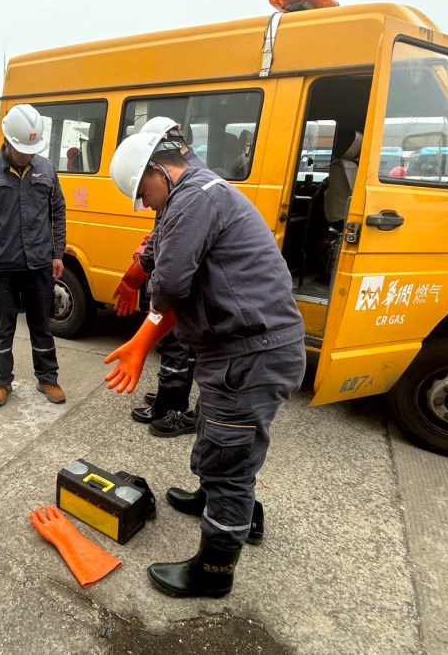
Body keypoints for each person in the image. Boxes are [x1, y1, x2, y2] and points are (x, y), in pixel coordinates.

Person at [104, 131, 306, 598]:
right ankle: (222, 503)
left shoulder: (193, 198)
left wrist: (141, 338)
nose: (144, 204)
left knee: (229, 458)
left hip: (250, 354)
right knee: (221, 436)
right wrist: (138, 291)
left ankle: (214, 571)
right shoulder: (198, 192)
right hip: (241, 350)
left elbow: (171, 284)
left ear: (159, 171)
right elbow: (166, 258)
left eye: (142, 193)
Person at [0, 104, 67, 408]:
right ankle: (2, 382)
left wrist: (57, 253)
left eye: (32, 150)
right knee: (3, 327)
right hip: (2, 268)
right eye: (23, 150)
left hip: (39, 265)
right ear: (8, 141)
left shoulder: (46, 170)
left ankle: (47, 379)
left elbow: (58, 212)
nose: (28, 156)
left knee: (42, 326)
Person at [111, 117, 200, 437]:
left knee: (178, 344)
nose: (146, 204)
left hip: (237, 328)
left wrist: (156, 309)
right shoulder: (180, 183)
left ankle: (171, 405)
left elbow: (172, 276)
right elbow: (159, 237)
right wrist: (136, 276)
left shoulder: (189, 192)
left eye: (144, 194)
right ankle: (171, 398)